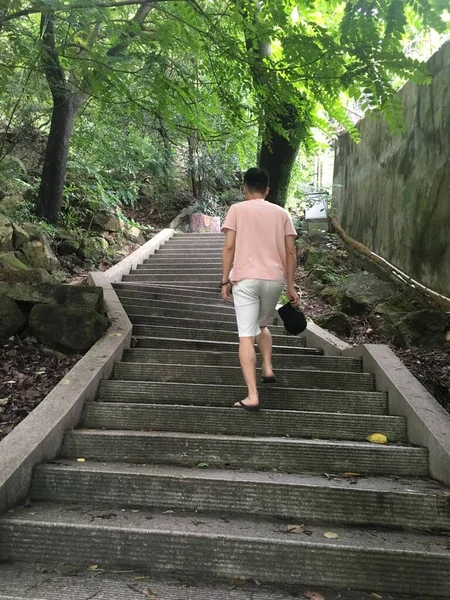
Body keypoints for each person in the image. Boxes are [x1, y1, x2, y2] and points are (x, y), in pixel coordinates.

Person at [221, 167, 299, 412]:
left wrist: (225, 281)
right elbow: (290, 252)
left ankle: (252, 396)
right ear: (267, 190)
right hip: (273, 280)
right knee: (261, 326)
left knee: (246, 335)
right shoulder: (281, 213)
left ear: (245, 188)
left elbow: (229, 247)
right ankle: (267, 367)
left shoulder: (237, 210)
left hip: (245, 279)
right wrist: (291, 286)